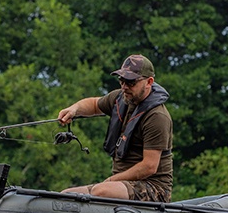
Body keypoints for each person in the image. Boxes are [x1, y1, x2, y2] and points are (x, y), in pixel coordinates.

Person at [57, 54, 173, 202]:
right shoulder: (121, 98)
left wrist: (112, 181)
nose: (124, 86)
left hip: (154, 188)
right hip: (120, 184)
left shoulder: (157, 117)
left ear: (149, 82)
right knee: (65, 195)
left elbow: (149, 166)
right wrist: (74, 109)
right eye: (121, 80)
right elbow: (93, 105)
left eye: (131, 82)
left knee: (102, 190)